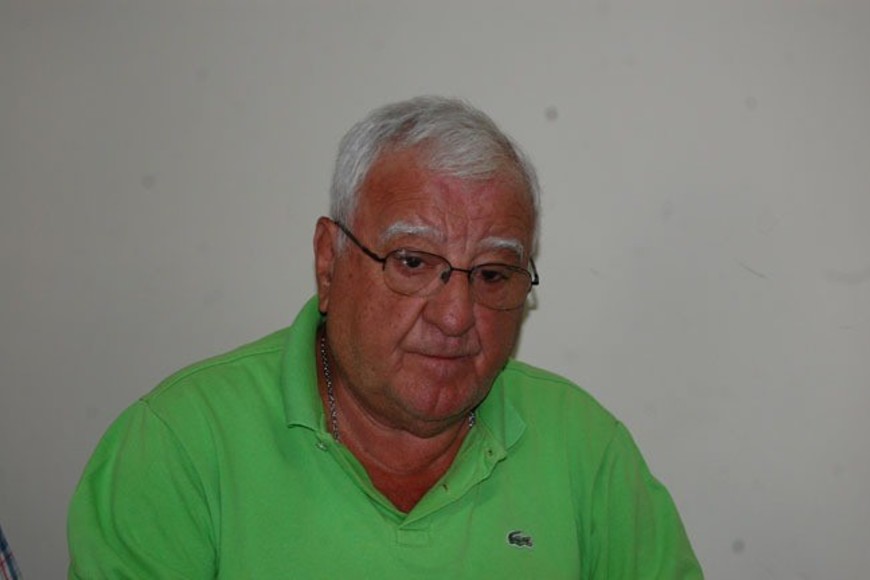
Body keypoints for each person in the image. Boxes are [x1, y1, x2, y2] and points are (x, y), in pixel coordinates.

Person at [68, 96, 703, 578]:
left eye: (491, 274)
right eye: (413, 262)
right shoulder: (179, 447)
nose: (455, 316)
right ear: (329, 262)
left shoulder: (586, 450)